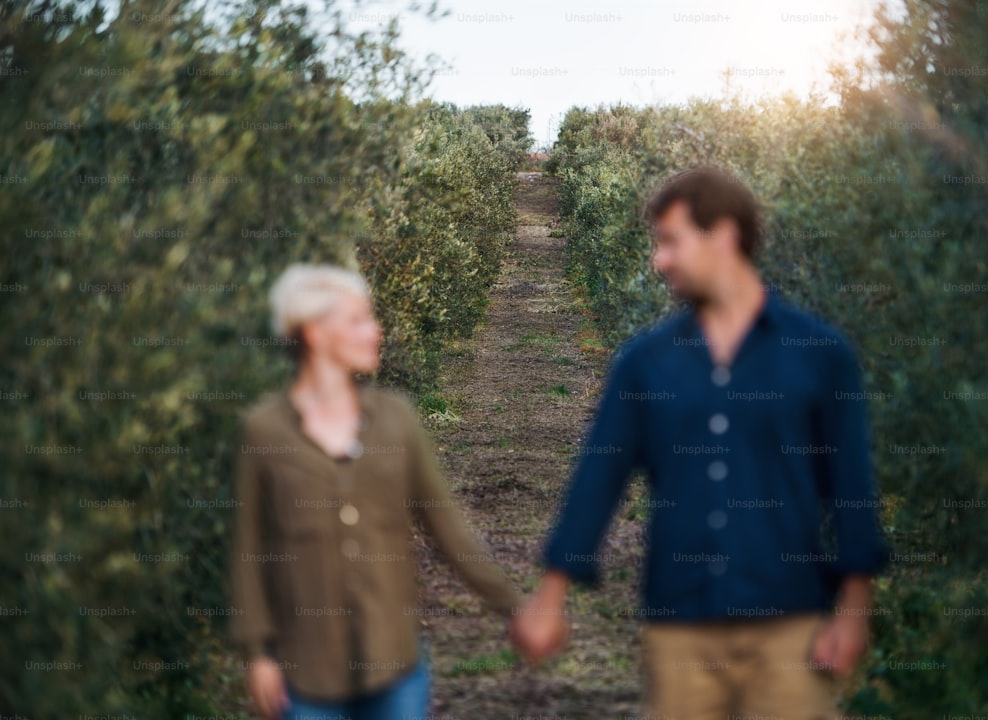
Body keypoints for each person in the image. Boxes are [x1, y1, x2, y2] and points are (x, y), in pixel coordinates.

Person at [511, 167, 891, 719]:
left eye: (671, 241)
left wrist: (854, 614)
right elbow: (599, 477)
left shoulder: (819, 356)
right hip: (679, 629)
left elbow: (852, 489)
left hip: (790, 627)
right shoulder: (645, 364)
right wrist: (550, 596)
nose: (658, 260)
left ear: (724, 235)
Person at [229, 263, 524, 720]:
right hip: (305, 676)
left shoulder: (396, 420)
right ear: (314, 333)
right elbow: (248, 550)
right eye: (358, 320)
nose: (376, 330)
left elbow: (447, 528)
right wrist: (257, 654)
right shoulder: (264, 431)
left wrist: (515, 608)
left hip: (394, 668)